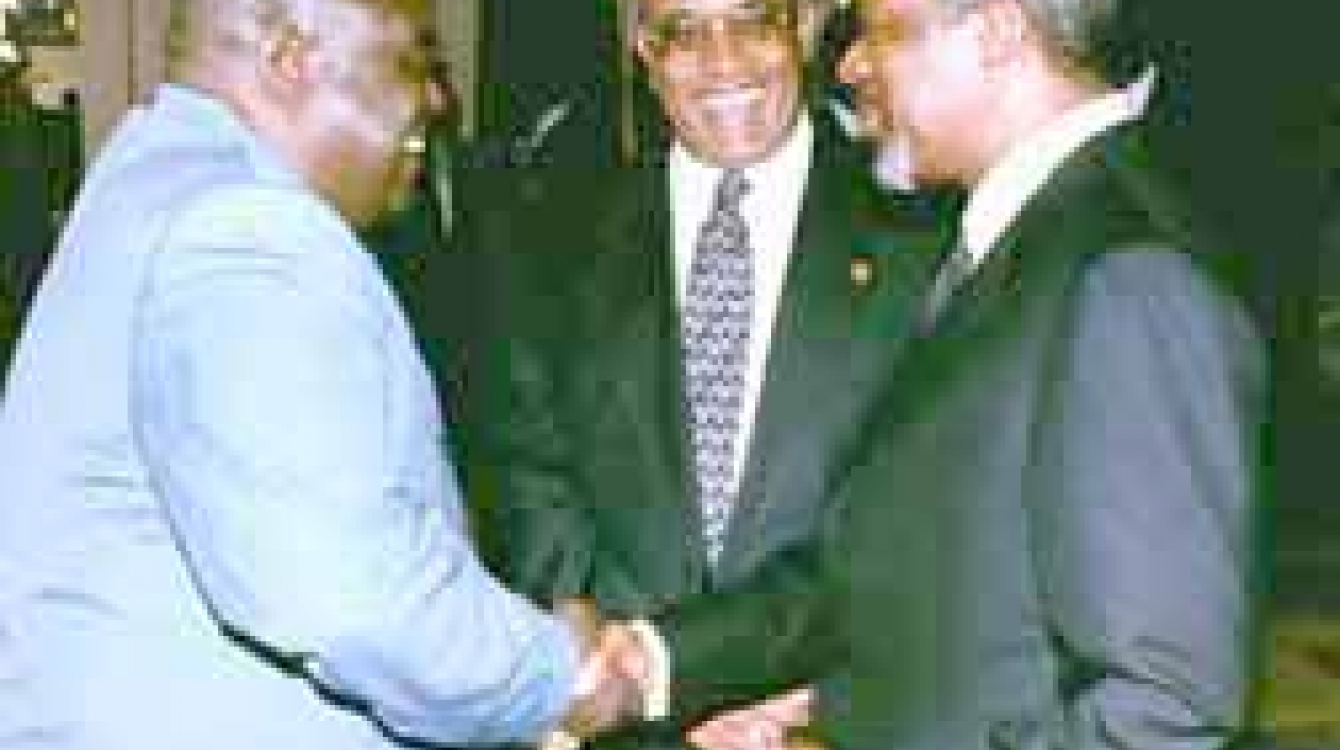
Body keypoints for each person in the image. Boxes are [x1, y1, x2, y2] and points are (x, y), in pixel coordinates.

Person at [598, 0, 1268, 747]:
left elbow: (1164, 705)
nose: (849, 64)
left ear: (993, 32)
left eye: (880, 31)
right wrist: (828, 703)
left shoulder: (1125, 277)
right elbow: (962, 578)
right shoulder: (1019, 244)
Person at [0, 0, 642, 748]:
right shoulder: (244, 229)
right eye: (412, 61)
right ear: (291, 56)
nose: (435, 101)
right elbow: (349, 594)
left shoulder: (152, 180)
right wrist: (556, 674)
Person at [469, 0, 945, 748]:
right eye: (683, 33)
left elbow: (918, 517)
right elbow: (528, 471)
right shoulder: (548, 229)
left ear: (809, 25)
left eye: (753, 21)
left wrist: (804, 698)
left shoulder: (924, 229)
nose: (722, 61)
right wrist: (599, 654)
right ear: (641, 50)